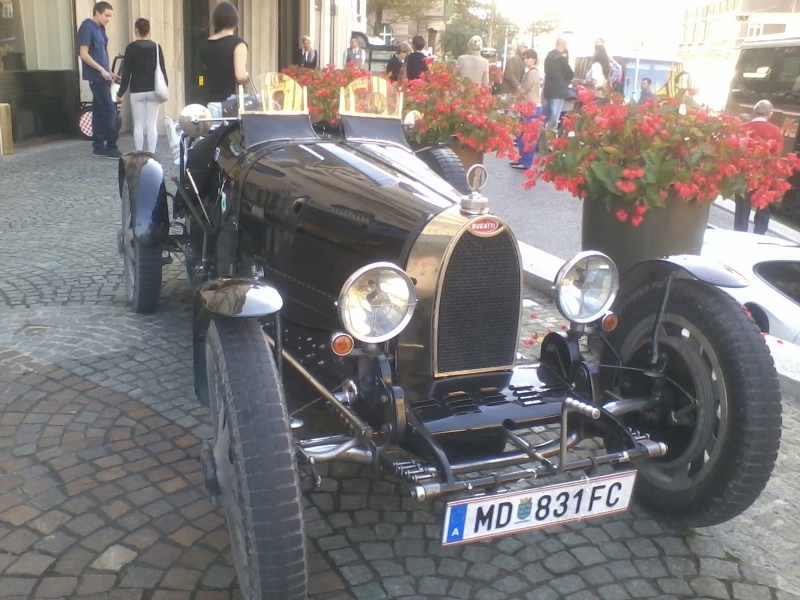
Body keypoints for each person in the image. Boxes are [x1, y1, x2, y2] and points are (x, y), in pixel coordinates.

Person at [77, 2, 121, 159]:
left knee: (98, 111)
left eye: (111, 16)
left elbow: (101, 54)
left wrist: (109, 72)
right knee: (110, 110)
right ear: (97, 13)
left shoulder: (101, 29)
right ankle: (111, 147)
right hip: (96, 77)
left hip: (103, 76)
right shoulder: (87, 27)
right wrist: (102, 70)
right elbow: (83, 54)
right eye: (106, 15)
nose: (109, 19)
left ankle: (98, 146)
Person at [116, 18, 167, 153]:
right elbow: (162, 70)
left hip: (136, 91)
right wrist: (165, 88)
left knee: (138, 124)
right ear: (149, 30)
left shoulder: (131, 48)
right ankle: (151, 154)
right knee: (151, 124)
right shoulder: (156, 47)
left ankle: (138, 153)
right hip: (153, 90)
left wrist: (120, 93)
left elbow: (126, 73)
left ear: (136, 30)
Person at [734, 100, 783, 235]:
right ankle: (759, 235)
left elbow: (735, 152)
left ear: (754, 111)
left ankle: (739, 235)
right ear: (770, 114)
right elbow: (776, 156)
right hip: (764, 177)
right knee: (762, 209)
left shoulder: (743, 127)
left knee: (742, 209)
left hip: (743, 175)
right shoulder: (776, 131)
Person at [200, 2, 248, 115]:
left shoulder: (205, 44)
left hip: (208, 102)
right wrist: (247, 78)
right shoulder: (238, 44)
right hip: (229, 104)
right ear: (235, 21)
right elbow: (240, 76)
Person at [511, 49, 541, 171]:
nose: (525, 60)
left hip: (532, 107)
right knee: (522, 135)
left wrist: (517, 87)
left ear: (533, 59)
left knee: (527, 137)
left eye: (527, 58)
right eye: (524, 58)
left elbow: (524, 89)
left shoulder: (532, 73)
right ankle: (522, 160)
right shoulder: (531, 72)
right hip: (529, 107)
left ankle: (526, 162)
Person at [542, 38, 574, 131]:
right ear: (563, 46)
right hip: (559, 92)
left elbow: (546, 71)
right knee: (553, 120)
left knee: (545, 118)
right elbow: (570, 74)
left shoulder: (548, 58)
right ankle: (549, 138)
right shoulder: (562, 59)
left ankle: (541, 137)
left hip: (548, 90)